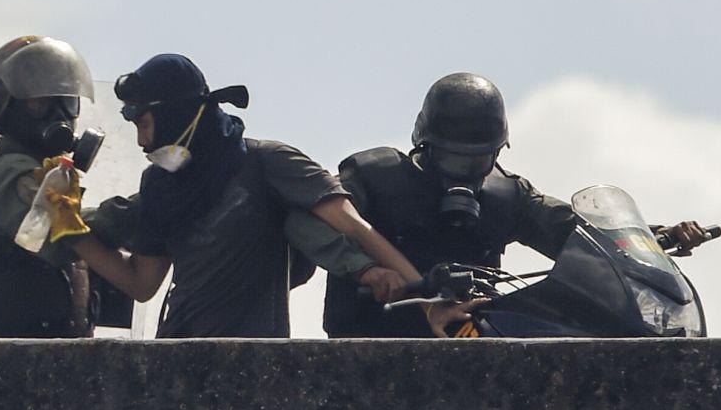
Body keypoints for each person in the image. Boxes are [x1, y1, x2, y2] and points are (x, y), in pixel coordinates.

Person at [52, 54, 469, 338]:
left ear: (177, 114)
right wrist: (72, 230)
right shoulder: (160, 186)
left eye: (145, 124)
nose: (142, 142)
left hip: (252, 362)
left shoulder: (266, 163)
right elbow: (141, 283)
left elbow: (355, 228)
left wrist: (426, 299)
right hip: (175, 352)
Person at [284, 72, 710, 337]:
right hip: (374, 341)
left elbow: (575, 234)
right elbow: (308, 221)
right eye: (453, 157)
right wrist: (365, 268)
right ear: (424, 145)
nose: (466, 170)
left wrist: (649, 240)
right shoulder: (374, 177)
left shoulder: (507, 194)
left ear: (497, 152)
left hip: (473, 341)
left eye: (479, 159)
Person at [0, 35, 99, 337]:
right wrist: (132, 217)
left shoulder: (47, 176)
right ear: (7, 106)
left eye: (66, 102)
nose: (59, 115)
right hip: (16, 368)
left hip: (48, 364)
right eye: (39, 102)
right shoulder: (12, 172)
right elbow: (49, 238)